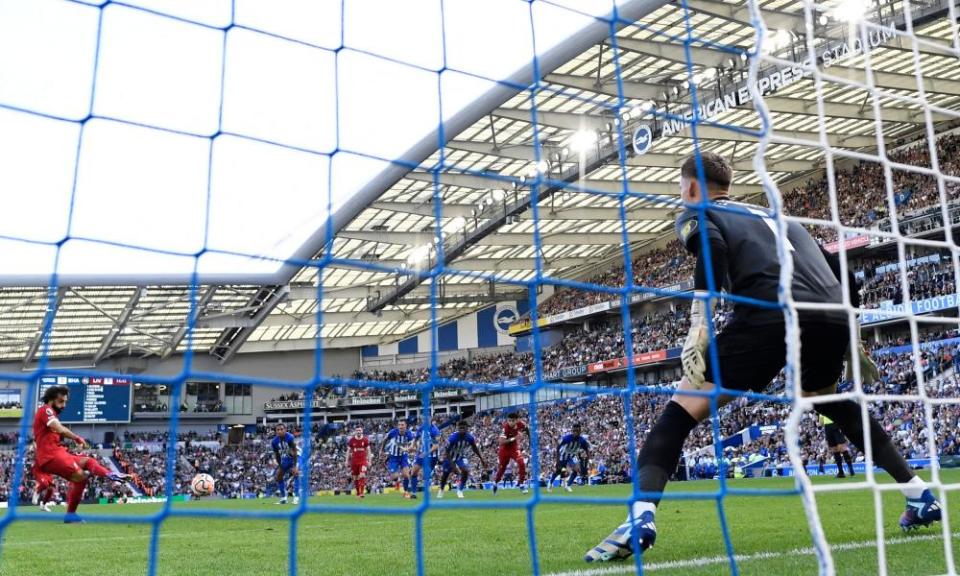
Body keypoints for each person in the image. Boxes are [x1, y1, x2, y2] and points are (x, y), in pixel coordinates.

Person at [585, 152, 942, 563]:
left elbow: (711, 247)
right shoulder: (781, 217)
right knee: (827, 398)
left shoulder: (697, 212)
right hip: (830, 316)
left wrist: (698, 325)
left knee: (679, 411)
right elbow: (841, 271)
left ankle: (641, 516)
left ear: (692, 186)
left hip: (771, 314)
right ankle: (919, 495)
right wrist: (854, 337)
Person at [33, 385, 128, 523]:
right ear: (51, 400)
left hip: (57, 452)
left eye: (65, 402)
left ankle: (111, 475)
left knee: (88, 462)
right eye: (61, 401)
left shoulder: (49, 413)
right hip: (50, 455)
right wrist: (77, 438)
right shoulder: (45, 410)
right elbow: (58, 428)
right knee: (81, 477)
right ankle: (69, 514)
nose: (63, 405)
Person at [437, 420, 486, 499]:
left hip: (460, 456)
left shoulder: (469, 437)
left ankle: (460, 490)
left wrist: (481, 459)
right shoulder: (452, 438)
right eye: (460, 428)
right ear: (457, 428)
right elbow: (447, 452)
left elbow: (475, 448)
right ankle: (441, 490)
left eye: (464, 428)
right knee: (445, 476)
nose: (462, 430)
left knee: (466, 471)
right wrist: (453, 466)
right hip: (449, 457)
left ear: (467, 428)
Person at [547, 423, 591, 493]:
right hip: (563, 455)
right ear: (572, 431)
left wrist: (588, 460)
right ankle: (550, 484)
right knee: (559, 471)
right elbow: (558, 447)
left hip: (572, 456)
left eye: (577, 431)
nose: (575, 432)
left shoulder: (582, 440)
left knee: (577, 469)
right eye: (574, 431)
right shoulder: (566, 438)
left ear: (580, 431)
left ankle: (567, 486)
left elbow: (587, 450)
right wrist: (557, 460)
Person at [493, 412, 529, 495]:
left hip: (514, 448)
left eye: (512, 421)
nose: (510, 422)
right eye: (509, 420)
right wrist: (514, 438)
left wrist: (530, 440)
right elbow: (501, 442)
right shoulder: (505, 428)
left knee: (522, 463)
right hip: (504, 450)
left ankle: (521, 484)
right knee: (502, 469)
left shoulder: (520, 424)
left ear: (516, 420)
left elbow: (527, 429)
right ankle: (495, 483)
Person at [378, 419, 415, 498]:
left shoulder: (409, 433)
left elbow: (412, 444)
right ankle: (397, 481)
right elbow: (385, 440)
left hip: (403, 456)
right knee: (394, 477)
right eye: (399, 425)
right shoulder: (393, 432)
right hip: (393, 457)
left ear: (406, 426)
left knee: (406, 475)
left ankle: (406, 492)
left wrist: (408, 448)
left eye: (402, 425)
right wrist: (381, 450)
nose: (400, 427)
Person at [409, 418, 442, 499]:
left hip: (432, 456)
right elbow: (416, 438)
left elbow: (436, 446)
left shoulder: (435, 431)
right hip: (421, 453)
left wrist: (426, 454)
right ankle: (414, 493)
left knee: (425, 475)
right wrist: (412, 446)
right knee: (413, 472)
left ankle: (429, 491)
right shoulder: (421, 428)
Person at [271, 423, 299, 505]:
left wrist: (295, 466)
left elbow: (294, 451)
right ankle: (283, 498)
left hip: (297, 456)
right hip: (286, 458)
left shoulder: (290, 437)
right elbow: (277, 455)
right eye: (278, 430)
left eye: (281, 429)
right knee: (279, 476)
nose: (280, 431)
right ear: (276, 431)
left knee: (296, 473)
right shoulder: (274, 441)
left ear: (285, 430)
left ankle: (296, 497)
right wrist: (280, 466)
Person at [346, 425, 371, 498]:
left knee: (362, 475)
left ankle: (362, 493)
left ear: (362, 431)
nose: (358, 432)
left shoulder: (365, 440)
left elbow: (368, 450)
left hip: (363, 461)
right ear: (355, 431)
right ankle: (358, 493)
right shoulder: (352, 440)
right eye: (357, 430)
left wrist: (369, 461)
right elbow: (348, 451)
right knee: (355, 478)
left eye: (360, 430)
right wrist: (346, 461)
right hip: (354, 462)